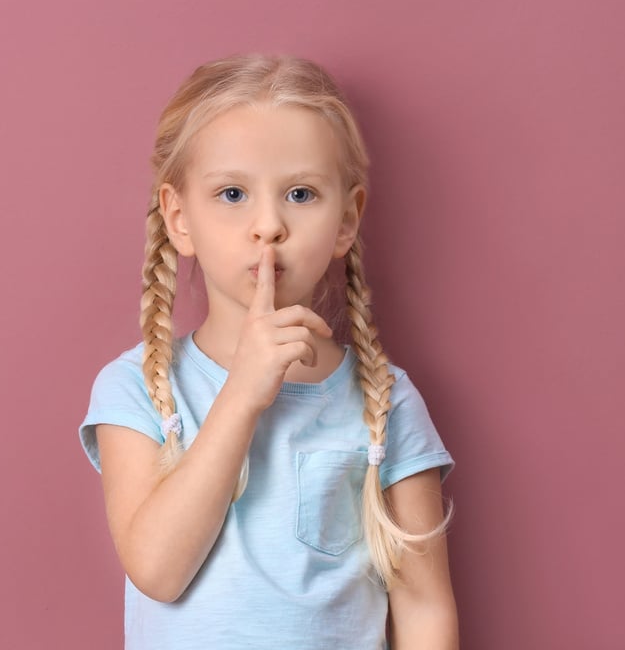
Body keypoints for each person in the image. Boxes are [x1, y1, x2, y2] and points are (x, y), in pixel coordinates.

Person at [79, 54, 458, 649]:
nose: (268, 225)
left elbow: (425, 607)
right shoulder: (134, 390)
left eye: (301, 194)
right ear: (180, 219)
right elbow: (157, 570)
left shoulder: (386, 402)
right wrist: (242, 395)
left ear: (346, 221)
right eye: (232, 193)